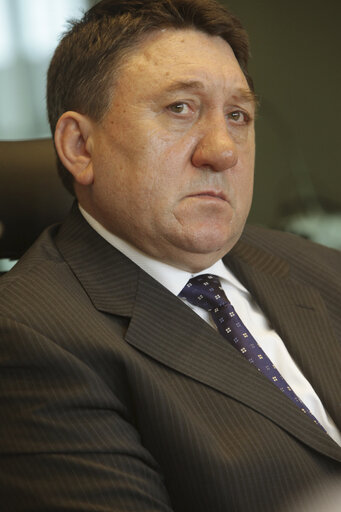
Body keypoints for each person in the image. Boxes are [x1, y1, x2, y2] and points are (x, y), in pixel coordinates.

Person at [0, 0, 340, 510]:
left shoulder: (316, 265)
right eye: (180, 108)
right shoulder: (28, 338)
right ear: (80, 147)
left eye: (238, 115)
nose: (223, 151)